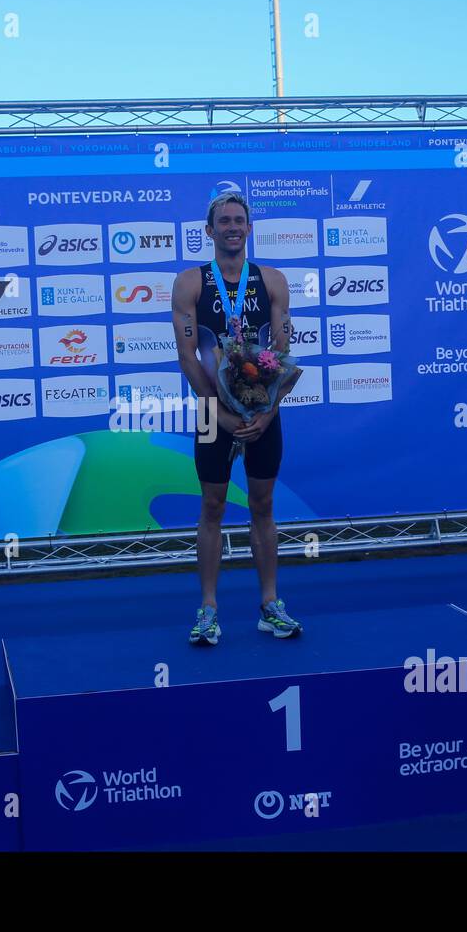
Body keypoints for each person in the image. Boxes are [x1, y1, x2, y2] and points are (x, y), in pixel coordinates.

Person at [170, 191, 301, 646]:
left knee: (263, 506)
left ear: (248, 228)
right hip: (212, 414)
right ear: (209, 231)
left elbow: (282, 354)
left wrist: (266, 413)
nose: (232, 227)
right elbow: (188, 358)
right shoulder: (190, 283)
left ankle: (270, 604)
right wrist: (220, 414)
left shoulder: (272, 282)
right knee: (211, 507)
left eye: (239, 220)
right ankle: (208, 608)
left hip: (264, 414)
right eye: (223, 220)